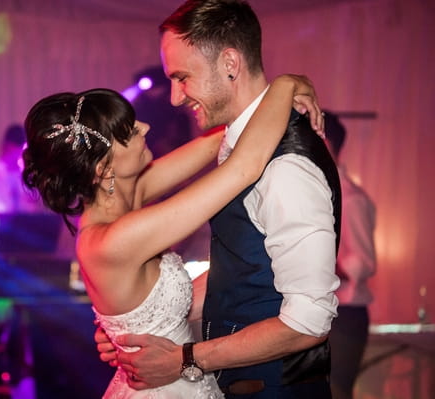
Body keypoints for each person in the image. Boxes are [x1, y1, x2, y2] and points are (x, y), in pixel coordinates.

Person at [21, 74, 324, 398]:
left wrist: (278, 99)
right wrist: (285, 85)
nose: (146, 128)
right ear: (103, 169)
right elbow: (243, 167)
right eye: (130, 132)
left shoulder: (127, 196)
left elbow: (218, 141)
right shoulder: (115, 238)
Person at [95, 1, 342, 398]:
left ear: (230, 63)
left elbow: (309, 320)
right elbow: (246, 270)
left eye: (183, 77)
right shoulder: (234, 144)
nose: (175, 97)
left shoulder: (286, 168)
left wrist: (187, 358)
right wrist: (136, 329)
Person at [323, 111, 376, 399]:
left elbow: (364, 263)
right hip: (324, 310)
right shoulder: (321, 194)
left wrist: (316, 263)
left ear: (324, 141)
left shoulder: (351, 199)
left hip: (345, 314)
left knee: (336, 392)